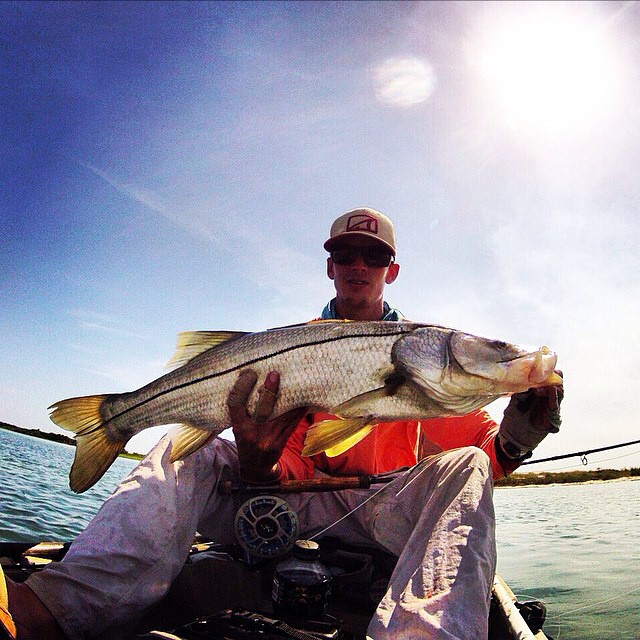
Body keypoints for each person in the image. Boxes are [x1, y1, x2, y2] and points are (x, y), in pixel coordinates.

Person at [0, 207, 563, 640]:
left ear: (391, 270)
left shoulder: (437, 374)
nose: (358, 267)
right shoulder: (288, 347)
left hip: (379, 515)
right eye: (347, 256)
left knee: (462, 467)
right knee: (185, 450)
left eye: (371, 257)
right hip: (285, 504)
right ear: (330, 267)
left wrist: (520, 433)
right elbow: (273, 469)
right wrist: (254, 457)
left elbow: (486, 466)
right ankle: (56, 607)